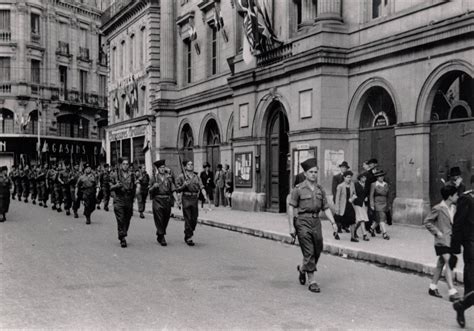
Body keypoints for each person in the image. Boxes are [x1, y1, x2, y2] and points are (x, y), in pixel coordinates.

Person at [288, 158, 339, 293]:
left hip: (316, 222)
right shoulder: (298, 189)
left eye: (316, 172)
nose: (313, 174)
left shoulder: (320, 190)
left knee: (318, 248)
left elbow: (326, 208)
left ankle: (302, 268)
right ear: (305, 173)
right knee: (309, 251)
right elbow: (291, 207)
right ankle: (312, 281)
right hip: (302, 221)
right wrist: (291, 227)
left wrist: (333, 222)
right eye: (311, 172)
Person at [424, 185, 460, 302]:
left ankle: (432, 287)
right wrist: (437, 232)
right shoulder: (438, 208)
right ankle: (452, 291)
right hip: (441, 241)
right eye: (455, 195)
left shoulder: (454, 208)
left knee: (441, 263)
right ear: (450, 196)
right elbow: (427, 222)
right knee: (449, 262)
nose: (457, 196)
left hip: (451, 241)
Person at [451, 180, 474, 328]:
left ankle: (462, 305)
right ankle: (462, 305)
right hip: (471, 243)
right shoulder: (467, 199)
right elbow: (458, 223)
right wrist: (454, 248)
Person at [176, 160, 208, 246]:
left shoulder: (196, 177)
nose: (190, 166)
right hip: (186, 198)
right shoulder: (181, 176)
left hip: (194, 198)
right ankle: (189, 237)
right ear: (185, 167)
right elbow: (177, 189)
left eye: (192, 164)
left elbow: (202, 187)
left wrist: (205, 195)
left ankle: (188, 231)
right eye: (188, 164)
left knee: (194, 218)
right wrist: (184, 185)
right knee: (188, 218)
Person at [149, 159, 178, 246]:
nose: (162, 169)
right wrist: (154, 186)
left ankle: (159, 233)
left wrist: (177, 200)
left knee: (166, 218)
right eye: (160, 167)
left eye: (163, 167)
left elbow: (173, 189)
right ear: (157, 169)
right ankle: (162, 236)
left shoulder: (168, 178)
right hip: (157, 200)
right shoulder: (154, 178)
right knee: (159, 218)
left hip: (167, 200)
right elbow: (149, 190)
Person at [110, 157, 136, 248]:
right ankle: (122, 238)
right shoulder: (114, 175)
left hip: (128, 199)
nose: (125, 166)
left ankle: (123, 232)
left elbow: (134, 187)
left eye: (127, 164)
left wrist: (134, 197)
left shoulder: (132, 175)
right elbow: (108, 187)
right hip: (119, 199)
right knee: (121, 219)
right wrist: (116, 186)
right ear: (121, 165)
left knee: (127, 219)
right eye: (123, 164)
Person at [334, 170, 358, 242]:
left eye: (350, 177)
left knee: (352, 220)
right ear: (344, 177)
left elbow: (354, 193)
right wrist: (337, 208)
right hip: (342, 206)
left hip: (350, 205)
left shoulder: (352, 185)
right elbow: (337, 198)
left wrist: (353, 198)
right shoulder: (340, 186)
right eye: (347, 177)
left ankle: (352, 237)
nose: (349, 179)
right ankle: (336, 233)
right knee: (339, 220)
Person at [369, 169, 391, 240]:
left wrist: (389, 204)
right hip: (377, 203)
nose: (381, 178)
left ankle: (371, 228)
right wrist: (372, 204)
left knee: (377, 219)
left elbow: (388, 195)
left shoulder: (386, 184)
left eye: (382, 176)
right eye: (380, 176)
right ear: (377, 178)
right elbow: (371, 195)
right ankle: (384, 233)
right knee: (382, 217)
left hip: (384, 202)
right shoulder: (374, 184)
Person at [332, 161, 350, 233]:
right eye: (342, 168)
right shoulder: (336, 177)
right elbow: (334, 188)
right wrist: (335, 198)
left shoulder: (349, 177)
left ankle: (345, 226)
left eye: (345, 168)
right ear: (340, 168)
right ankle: (338, 226)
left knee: (346, 212)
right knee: (338, 212)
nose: (344, 169)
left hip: (346, 198)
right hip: (339, 198)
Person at [353, 173, 370, 241]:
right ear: (360, 178)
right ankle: (364, 234)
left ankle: (353, 230)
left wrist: (366, 198)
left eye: (365, 177)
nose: (364, 179)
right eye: (363, 177)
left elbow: (367, 193)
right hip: (357, 203)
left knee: (360, 219)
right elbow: (353, 193)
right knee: (362, 218)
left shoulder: (366, 185)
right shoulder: (356, 184)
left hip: (363, 203)